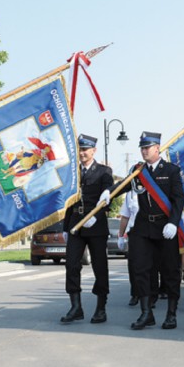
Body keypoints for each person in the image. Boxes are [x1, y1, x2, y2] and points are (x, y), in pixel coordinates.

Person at [102, 131, 184, 330]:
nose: (144, 151)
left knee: (171, 270)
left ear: (157, 148)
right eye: (142, 148)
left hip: (165, 226)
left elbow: (178, 199)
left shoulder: (171, 170)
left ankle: (171, 314)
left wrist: (173, 222)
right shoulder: (138, 171)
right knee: (140, 269)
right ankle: (146, 312)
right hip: (143, 226)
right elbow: (123, 185)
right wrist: (109, 192)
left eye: (147, 147)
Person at [61, 134, 114, 324]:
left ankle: (101, 307)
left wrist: (97, 216)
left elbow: (109, 195)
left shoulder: (104, 171)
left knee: (100, 266)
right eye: (80, 149)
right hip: (76, 223)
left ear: (93, 151)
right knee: (71, 265)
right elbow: (68, 202)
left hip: (95, 224)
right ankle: (76, 307)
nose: (82, 153)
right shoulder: (73, 172)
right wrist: (66, 227)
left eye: (85, 149)